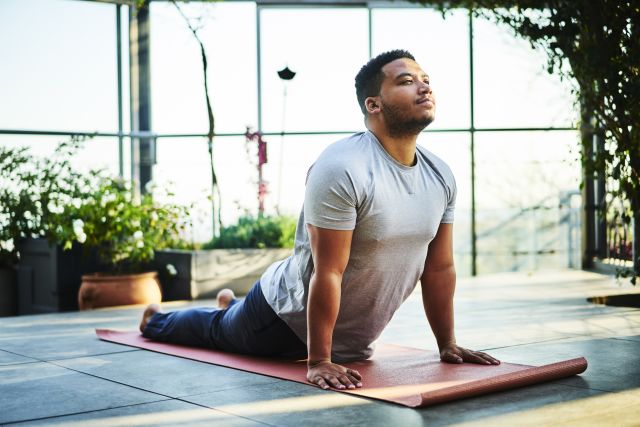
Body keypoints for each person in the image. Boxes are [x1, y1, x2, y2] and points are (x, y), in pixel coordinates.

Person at [139, 49, 500, 391]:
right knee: (218, 330)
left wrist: (447, 344)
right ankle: (156, 319)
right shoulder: (343, 166)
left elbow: (439, 268)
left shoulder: (440, 174)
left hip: (349, 336)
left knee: (229, 318)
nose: (424, 86)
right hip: (282, 319)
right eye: (406, 81)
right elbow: (328, 271)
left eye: (425, 78)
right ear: (373, 104)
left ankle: (229, 304)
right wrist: (319, 360)